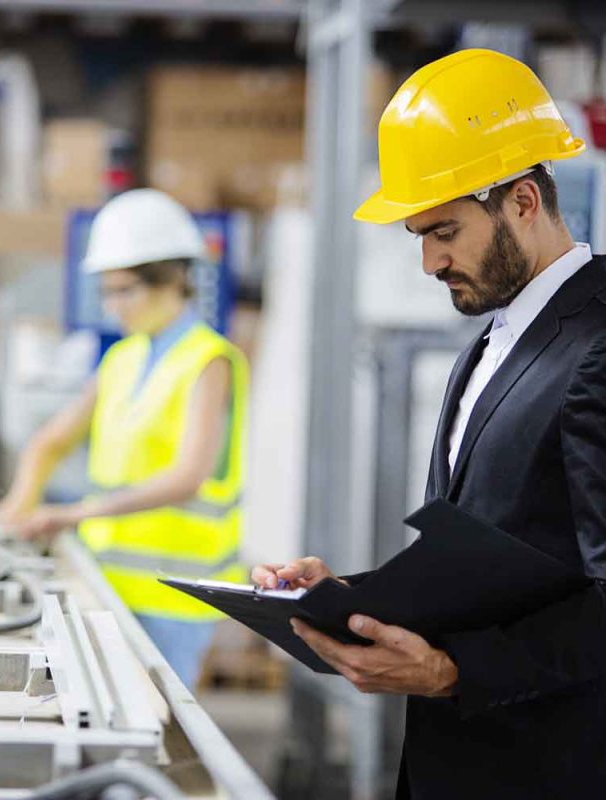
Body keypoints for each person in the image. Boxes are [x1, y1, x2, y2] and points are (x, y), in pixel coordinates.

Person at [253, 48, 606, 799]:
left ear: (520, 200)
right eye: (419, 235)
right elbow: (499, 557)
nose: (429, 262)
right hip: (459, 761)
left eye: (443, 231)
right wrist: (354, 597)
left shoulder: (598, 342)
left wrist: (454, 670)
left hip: (551, 766)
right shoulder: (492, 342)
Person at [0, 188, 248, 691]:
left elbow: (187, 477)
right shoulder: (123, 359)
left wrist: (71, 515)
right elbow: (50, 441)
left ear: (174, 280)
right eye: (106, 291)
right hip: (109, 584)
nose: (114, 307)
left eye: (126, 291)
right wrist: (17, 505)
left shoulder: (209, 360)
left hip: (175, 598)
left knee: (162, 738)